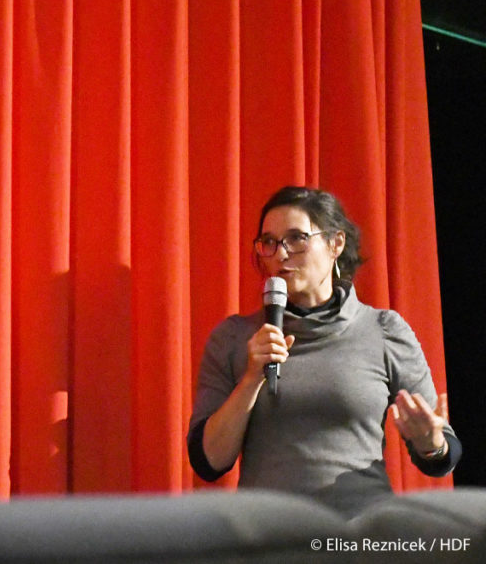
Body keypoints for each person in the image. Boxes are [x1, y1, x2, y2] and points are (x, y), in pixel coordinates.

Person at [187, 186, 461, 518]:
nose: (281, 255)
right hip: (268, 537)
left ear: (335, 244)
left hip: (358, 533)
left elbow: (443, 452)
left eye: (296, 238)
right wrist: (250, 379)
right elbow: (208, 462)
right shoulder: (234, 338)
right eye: (269, 242)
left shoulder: (383, 330)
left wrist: (431, 444)